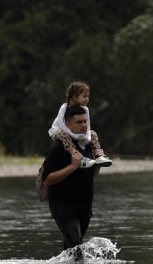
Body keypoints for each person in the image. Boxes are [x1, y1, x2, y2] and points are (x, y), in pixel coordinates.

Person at [41, 105, 102, 254]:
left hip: (84, 206)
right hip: (63, 207)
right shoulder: (59, 146)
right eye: (79, 122)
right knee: (76, 245)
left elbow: (92, 175)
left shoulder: (87, 143)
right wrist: (72, 166)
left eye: (85, 121)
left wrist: (98, 162)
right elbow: (47, 180)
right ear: (67, 124)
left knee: (71, 249)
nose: (83, 125)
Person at [47, 81, 112, 167]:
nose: (87, 99)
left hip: (76, 132)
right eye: (84, 96)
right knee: (62, 133)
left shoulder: (85, 109)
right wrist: (75, 136)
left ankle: (98, 156)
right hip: (60, 130)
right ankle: (77, 156)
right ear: (74, 96)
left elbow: (87, 126)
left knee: (93, 133)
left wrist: (85, 137)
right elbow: (62, 124)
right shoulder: (64, 107)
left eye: (88, 96)